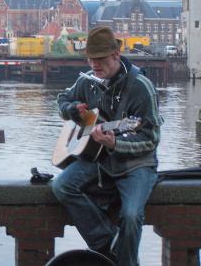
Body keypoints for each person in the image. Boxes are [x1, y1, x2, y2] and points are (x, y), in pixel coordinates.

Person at [52, 26, 163, 266]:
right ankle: (107, 243)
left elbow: (151, 138)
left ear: (116, 55)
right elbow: (63, 99)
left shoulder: (141, 88)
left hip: (137, 165)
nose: (94, 65)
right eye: (90, 59)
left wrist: (117, 143)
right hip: (99, 159)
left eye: (99, 59)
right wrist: (71, 110)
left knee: (131, 215)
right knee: (62, 186)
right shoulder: (88, 81)